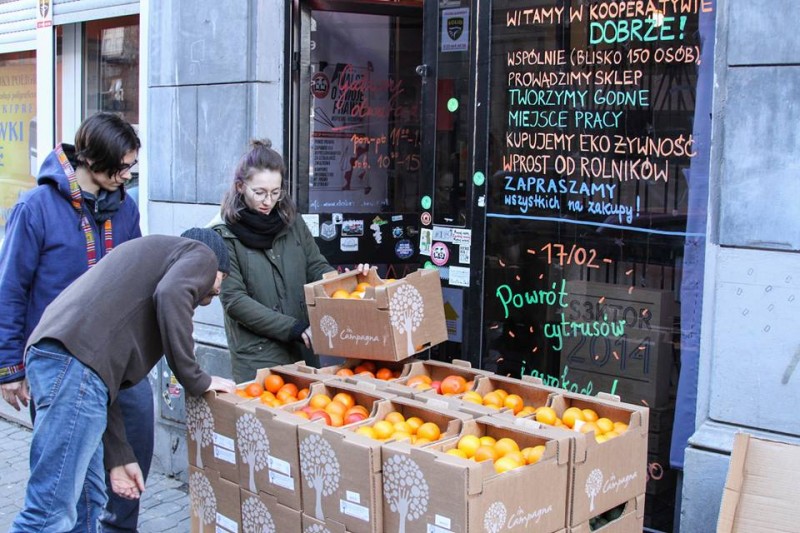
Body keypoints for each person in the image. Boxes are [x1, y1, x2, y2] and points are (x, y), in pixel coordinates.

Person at [10, 229, 237, 533]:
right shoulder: (202, 254)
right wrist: (196, 379)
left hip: (67, 363)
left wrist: (119, 456)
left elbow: (102, 383)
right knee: (49, 512)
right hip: (70, 366)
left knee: (88, 501)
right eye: (220, 280)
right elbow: (172, 293)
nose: (216, 292)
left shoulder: (135, 290)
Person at [0, 112, 152, 531]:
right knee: (65, 489)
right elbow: (11, 288)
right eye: (121, 166)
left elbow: (137, 279)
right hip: (61, 364)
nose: (126, 174)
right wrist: (10, 368)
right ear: (91, 159)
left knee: (126, 466)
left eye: (131, 166)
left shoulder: (126, 209)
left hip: (117, 363)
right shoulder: (36, 207)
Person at [213, 139, 368, 382]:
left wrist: (351, 284)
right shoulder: (223, 234)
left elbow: (315, 266)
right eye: (260, 192)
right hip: (257, 355)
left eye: (275, 192)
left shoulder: (292, 222)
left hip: (301, 348)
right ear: (240, 187)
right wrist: (292, 328)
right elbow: (234, 300)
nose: (268, 201)